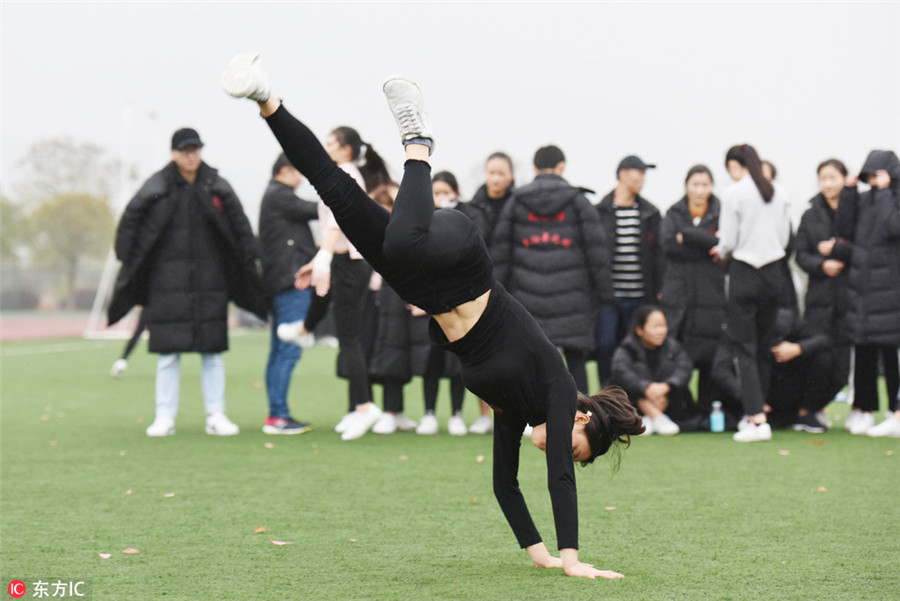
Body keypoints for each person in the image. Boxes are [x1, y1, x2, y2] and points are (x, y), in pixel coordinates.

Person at [222, 52, 644, 578]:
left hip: (421, 280)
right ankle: (418, 142)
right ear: (581, 420)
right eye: (577, 448)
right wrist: (574, 561)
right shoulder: (557, 386)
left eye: (570, 452)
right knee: (401, 235)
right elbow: (560, 476)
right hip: (461, 257)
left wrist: (540, 555)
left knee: (334, 189)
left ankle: (266, 98)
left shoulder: (514, 409)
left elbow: (504, 485)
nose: (560, 451)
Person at [108, 127, 267, 437]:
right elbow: (130, 222)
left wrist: (250, 261)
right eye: (184, 150)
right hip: (165, 284)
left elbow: (240, 227)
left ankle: (216, 415)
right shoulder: (156, 186)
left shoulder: (216, 185)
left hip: (211, 282)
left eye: (195, 149)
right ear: (173, 154)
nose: (191, 156)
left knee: (213, 352)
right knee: (168, 354)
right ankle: (164, 417)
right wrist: (126, 259)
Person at [491, 145, 612, 393]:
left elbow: (501, 255)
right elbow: (597, 254)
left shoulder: (516, 201)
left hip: (527, 298)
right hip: (574, 301)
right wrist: (604, 295)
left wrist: (496, 297)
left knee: (531, 362)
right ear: (561, 166)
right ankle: (581, 416)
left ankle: (532, 418)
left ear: (534, 168)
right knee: (576, 360)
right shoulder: (578, 202)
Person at [310, 124, 392, 440]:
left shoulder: (343, 174)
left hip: (349, 261)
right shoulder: (344, 173)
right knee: (348, 336)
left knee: (349, 337)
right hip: (347, 260)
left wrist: (325, 257)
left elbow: (336, 223)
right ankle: (360, 406)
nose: (324, 146)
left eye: (330, 142)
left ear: (345, 149)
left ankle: (363, 406)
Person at [713, 144, 792, 442]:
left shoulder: (734, 193)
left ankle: (756, 419)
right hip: (774, 272)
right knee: (763, 347)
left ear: (736, 164)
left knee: (743, 347)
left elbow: (728, 241)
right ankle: (760, 415)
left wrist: (720, 250)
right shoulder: (780, 192)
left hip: (744, 271)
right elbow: (784, 237)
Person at [771, 158, 854, 433]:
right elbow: (801, 256)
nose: (828, 183)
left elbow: (863, 249)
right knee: (819, 359)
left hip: (849, 300)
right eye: (823, 178)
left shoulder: (855, 210)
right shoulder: (810, 214)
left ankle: (818, 408)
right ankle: (807, 411)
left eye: (833, 177)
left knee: (842, 367)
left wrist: (838, 251)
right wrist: (822, 264)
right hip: (819, 300)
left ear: (844, 179)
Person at [836, 150, 900, 437]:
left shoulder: (892, 198)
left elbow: (893, 227)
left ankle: (894, 411)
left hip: (890, 289)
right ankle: (863, 408)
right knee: (863, 348)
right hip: (862, 288)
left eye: (878, 174)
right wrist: (850, 192)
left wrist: (886, 192)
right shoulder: (864, 199)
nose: (873, 180)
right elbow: (844, 229)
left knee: (891, 350)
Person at [258, 153, 319, 434]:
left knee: (279, 352)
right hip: (291, 284)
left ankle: (276, 414)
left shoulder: (274, 196)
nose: (303, 177)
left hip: (278, 284)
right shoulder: (279, 195)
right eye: (299, 170)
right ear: (285, 170)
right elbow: (314, 209)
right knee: (288, 351)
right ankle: (279, 416)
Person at [458, 152, 516, 435]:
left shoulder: (520, 204)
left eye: (501, 173)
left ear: (511, 175)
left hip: (514, 288)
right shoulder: (471, 207)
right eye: (491, 172)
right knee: (483, 354)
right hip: (479, 289)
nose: (495, 178)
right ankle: (484, 414)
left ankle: (519, 411)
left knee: (514, 354)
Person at [659, 165, 726, 411]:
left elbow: (724, 245)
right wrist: (707, 245)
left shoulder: (723, 212)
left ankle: (708, 410)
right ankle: (682, 410)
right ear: (686, 186)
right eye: (695, 184)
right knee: (678, 355)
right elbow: (669, 247)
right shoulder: (673, 212)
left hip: (713, 295)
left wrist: (686, 236)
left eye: (705, 185)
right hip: (679, 297)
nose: (700, 190)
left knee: (710, 355)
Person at [595, 155, 664, 387]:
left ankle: (632, 402)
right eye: (638, 173)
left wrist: (658, 292)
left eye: (644, 174)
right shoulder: (600, 212)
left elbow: (658, 256)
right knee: (605, 345)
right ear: (622, 175)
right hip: (609, 298)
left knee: (635, 352)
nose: (642, 179)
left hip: (640, 299)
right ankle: (606, 397)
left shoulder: (650, 213)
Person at [417, 171, 467, 435]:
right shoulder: (419, 220)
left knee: (457, 362)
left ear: (456, 193)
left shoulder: (464, 220)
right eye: (436, 193)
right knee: (431, 362)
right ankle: (428, 413)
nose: (441, 198)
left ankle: (457, 413)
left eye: (446, 192)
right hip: (428, 303)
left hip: (458, 303)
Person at [611, 306, 699, 435]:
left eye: (663, 326)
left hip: (669, 400)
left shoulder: (673, 347)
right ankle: (656, 417)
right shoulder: (627, 348)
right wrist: (646, 388)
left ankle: (650, 418)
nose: (661, 331)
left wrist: (666, 386)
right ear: (640, 330)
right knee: (626, 389)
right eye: (655, 327)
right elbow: (620, 371)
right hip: (637, 401)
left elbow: (685, 369)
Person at [110, 309, 146, 378]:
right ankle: (122, 360)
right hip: (153, 309)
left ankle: (122, 360)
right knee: (138, 333)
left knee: (138, 333)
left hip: (152, 309)